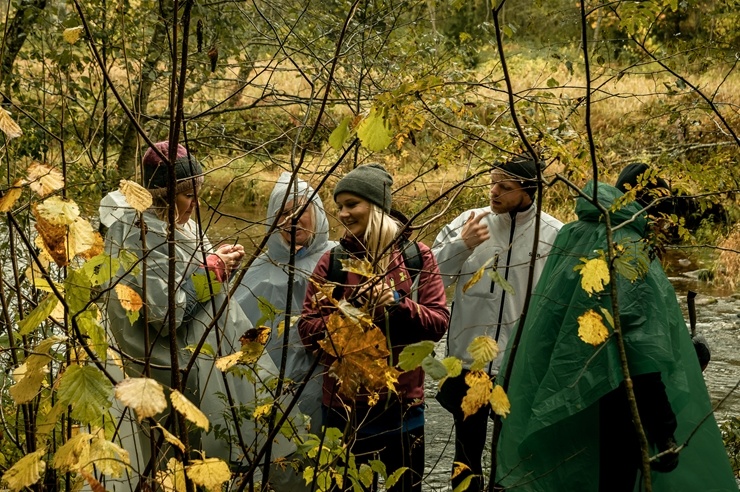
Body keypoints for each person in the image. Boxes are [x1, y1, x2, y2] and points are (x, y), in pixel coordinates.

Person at [495, 180, 737, 491]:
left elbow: (548, 319)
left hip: (561, 389)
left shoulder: (572, 232)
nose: (665, 229)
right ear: (651, 210)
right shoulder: (629, 248)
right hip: (616, 403)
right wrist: (663, 428)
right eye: (665, 219)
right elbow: (639, 347)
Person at [100, 141, 297, 484]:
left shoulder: (179, 226)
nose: (197, 202)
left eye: (197, 192)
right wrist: (214, 269)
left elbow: (186, 279)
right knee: (169, 464)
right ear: (163, 194)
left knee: (199, 461)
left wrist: (216, 261)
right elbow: (166, 315)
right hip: (162, 372)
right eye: (188, 193)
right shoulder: (138, 233)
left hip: (191, 367)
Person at [298, 163, 450, 492]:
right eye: (339, 206)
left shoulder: (417, 257)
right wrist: (351, 313)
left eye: (352, 204)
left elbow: (437, 324)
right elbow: (307, 330)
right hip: (343, 411)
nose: (343, 214)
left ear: (377, 206)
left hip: (403, 409)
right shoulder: (333, 262)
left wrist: (396, 304)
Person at [431, 156, 563, 491]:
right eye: (492, 182)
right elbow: (429, 280)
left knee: (514, 455)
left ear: (528, 190)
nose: (494, 192)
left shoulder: (554, 234)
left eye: (505, 187)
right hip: (467, 363)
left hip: (520, 365)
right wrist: (462, 245)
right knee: (465, 457)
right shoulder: (468, 221)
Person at [234, 171, 336, 432]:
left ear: (317, 213)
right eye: (283, 213)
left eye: (301, 210)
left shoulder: (336, 260)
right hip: (271, 388)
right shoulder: (258, 270)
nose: (293, 220)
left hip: (326, 385)